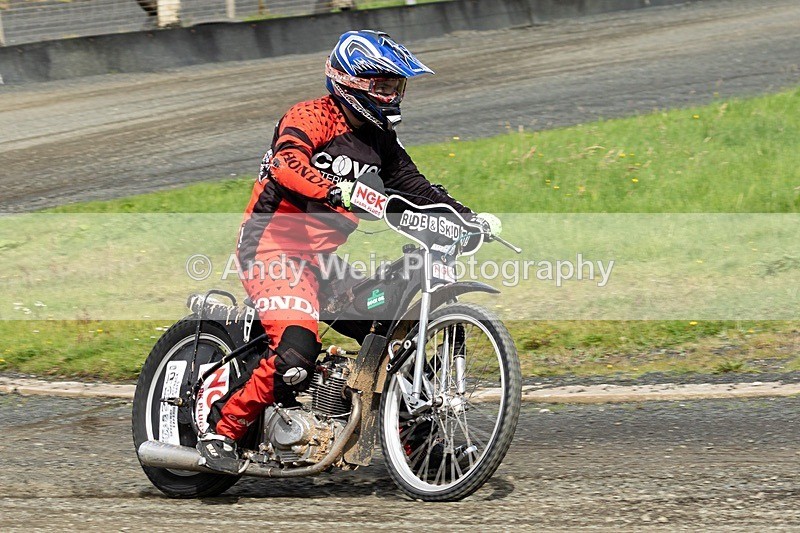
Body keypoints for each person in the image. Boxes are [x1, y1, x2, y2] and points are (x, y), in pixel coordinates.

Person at [197, 29, 502, 473]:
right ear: (351, 82)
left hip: (322, 266)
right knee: (297, 351)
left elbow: (417, 190)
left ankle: (418, 446)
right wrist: (337, 191)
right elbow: (286, 164)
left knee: (393, 338)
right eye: (383, 84)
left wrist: (467, 219)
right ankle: (220, 432)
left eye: (396, 85)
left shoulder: (381, 142)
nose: (392, 94)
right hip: (271, 250)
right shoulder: (311, 116)